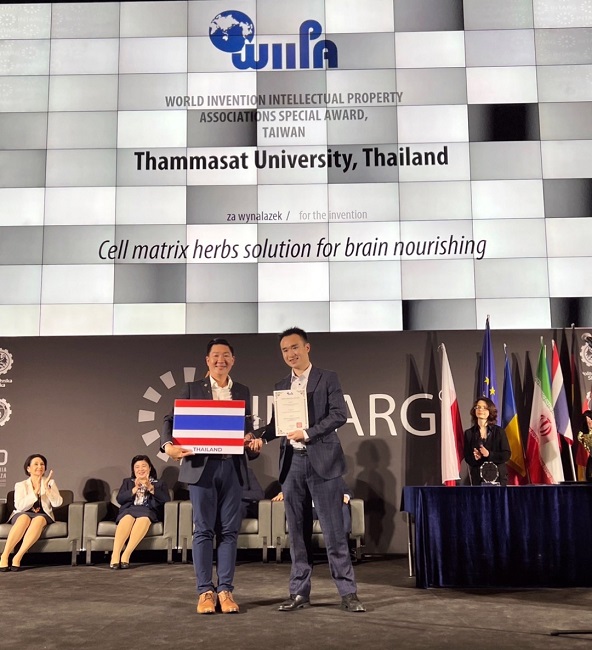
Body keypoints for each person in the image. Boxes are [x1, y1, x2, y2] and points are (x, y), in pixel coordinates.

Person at [262, 327, 365, 612]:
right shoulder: (282, 384)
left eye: (294, 347)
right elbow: (277, 425)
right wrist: (260, 438)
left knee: (334, 531)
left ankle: (348, 593)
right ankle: (299, 593)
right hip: (292, 463)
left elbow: (339, 414)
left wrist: (307, 433)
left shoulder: (327, 377)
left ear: (307, 348)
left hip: (323, 462)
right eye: (285, 350)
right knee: (297, 533)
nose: (290, 354)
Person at [161, 338, 259, 615]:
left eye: (226, 355)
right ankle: (205, 591)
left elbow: (246, 428)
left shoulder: (242, 390)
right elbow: (170, 420)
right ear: (207, 360)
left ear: (233, 360)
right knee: (203, 529)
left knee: (229, 531)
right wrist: (168, 445)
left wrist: (251, 441)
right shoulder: (192, 389)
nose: (220, 360)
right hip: (201, 468)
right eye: (215, 355)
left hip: (232, 467)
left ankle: (225, 591)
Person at [0, 454, 63, 571]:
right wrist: (35, 492)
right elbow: (20, 506)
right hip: (22, 513)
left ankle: (18, 556)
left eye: (42, 464)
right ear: (28, 468)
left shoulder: (50, 482)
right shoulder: (20, 485)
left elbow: (57, 503)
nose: (40, 467)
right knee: (24, 518)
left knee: (39, 519)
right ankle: (4, 555)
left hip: (43, 515)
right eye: (36, 464)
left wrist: (47, 489)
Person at [109, 455, 170, 569]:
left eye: (144, 466)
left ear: (150, 468)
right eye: (137, 467)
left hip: (148, 510)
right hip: (129, 509)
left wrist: (150, 487)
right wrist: (134, 489)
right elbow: (120, 499)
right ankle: (115, 554)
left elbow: (166, 500)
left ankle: (126, 554)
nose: (140, 469)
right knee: (127, 518)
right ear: (133, 469)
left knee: (144, 518)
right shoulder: (127, 482)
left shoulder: (159, 483)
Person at [463, 397, 511, 486]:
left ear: (490, 411)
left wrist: (489, 454)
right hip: (478, 479)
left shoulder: (499, 431)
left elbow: (506, 455)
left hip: (498, 478)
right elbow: (467, 458)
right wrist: (475, 457)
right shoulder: (469, 433)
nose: (480, 409)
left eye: (484, 407)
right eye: (478, 407)